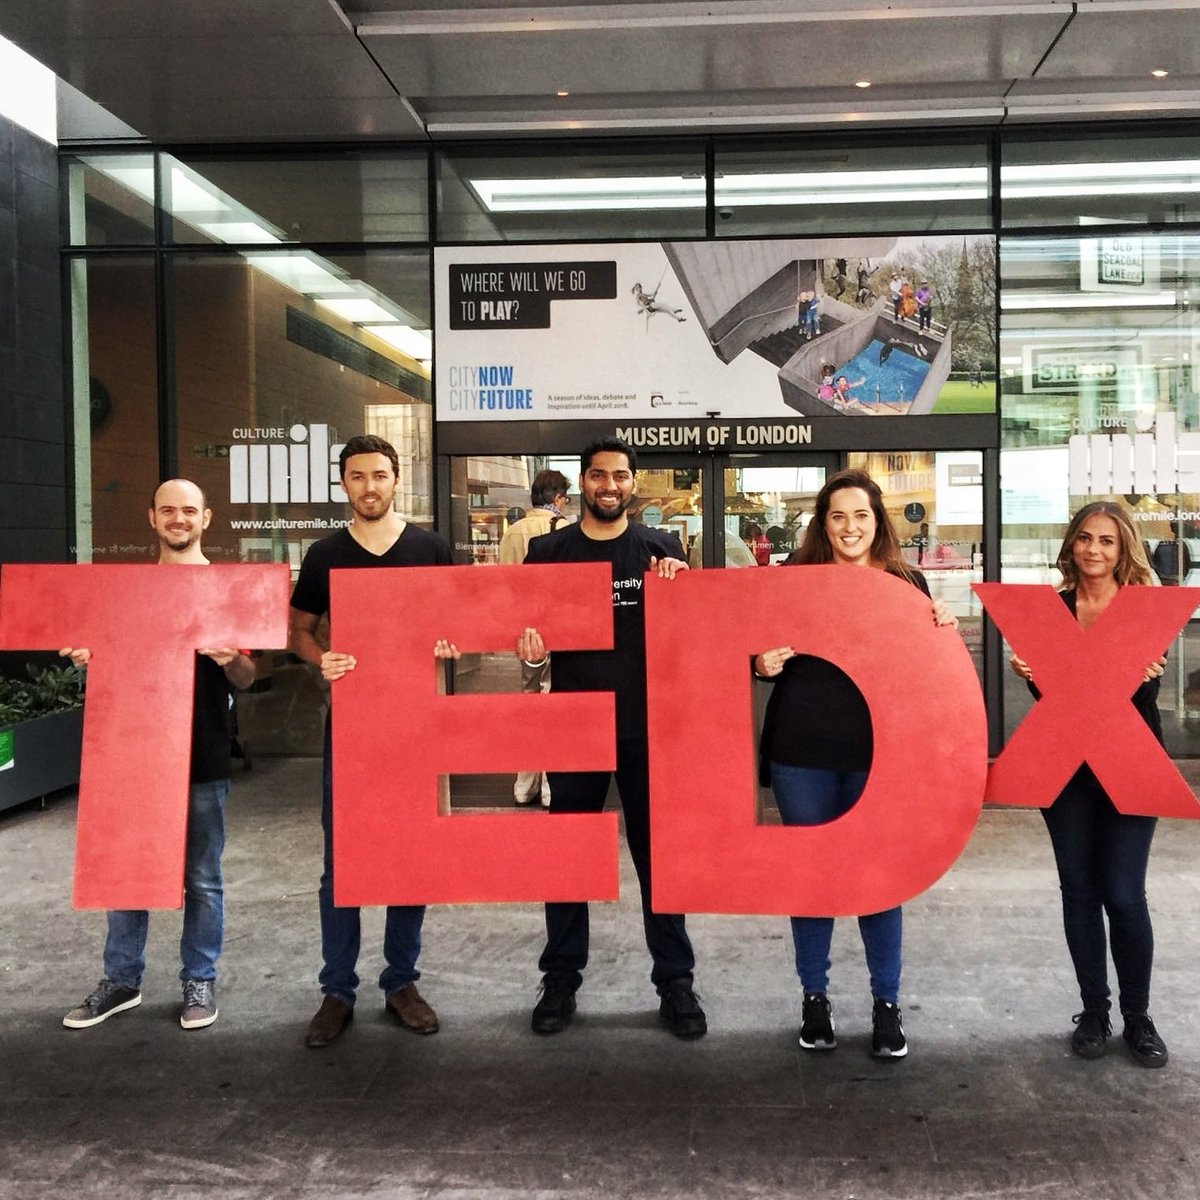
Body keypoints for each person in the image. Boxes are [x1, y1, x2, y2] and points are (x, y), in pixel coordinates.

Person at [752, 469, 957, 1058]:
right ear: (824, 524)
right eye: (838, 516)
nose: (850, 527)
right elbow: (753, 654)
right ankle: (814, 999)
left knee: (879, 878)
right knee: (812, 879)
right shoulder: (793, 580)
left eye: (861, 515)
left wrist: (940, 628)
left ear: (877, 522)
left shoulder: (905, 582)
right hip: (801, 754)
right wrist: (760, 662)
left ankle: (886, 1005)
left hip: (879, 758)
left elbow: (927, 672)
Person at [516, 436, 706, 1039]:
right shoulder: (548, 551)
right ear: (582, 484)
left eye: (620, 477)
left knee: (661, 861)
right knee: (567, 861)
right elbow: (525, 635)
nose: (610, 486)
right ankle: (561, 981)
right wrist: (530, 646)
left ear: (633, 483)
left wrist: (682, 586)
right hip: (574, 727)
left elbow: (687, 637)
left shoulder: (662, 548)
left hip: (649, 729)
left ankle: (676, 982)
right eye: (598, 476)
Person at [62, 479, 255, 1031]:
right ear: (151, 518)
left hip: (203, 751)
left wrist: (227, 659)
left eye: (188, 510)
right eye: (168, 510)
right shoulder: (123, 590)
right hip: (132, 752)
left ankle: (199, 980)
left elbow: (247, 675)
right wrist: (88, 659)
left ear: (206, 518)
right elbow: (107, 663)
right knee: (127, 871)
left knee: (203, 878)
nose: (178, 518)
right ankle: (121, 981)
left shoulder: (224, 588)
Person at [289, 434, 453, 1048]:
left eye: (379, 476)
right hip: (352, 727)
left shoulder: (431, 548)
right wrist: (320, 657)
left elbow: (454, 623)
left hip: (416, 725)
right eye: (357, 478)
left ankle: (400, 982)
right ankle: (337, 990)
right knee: (343, 862)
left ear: (396, 478)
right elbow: (299, 628)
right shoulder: (326, 554)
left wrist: (447, 644)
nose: (369, 487)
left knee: (409, 856)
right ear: (344, 484)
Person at [1009, 502, 1169, 1068]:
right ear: (1071, 545)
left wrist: (1146, 674)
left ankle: (1139, 1016)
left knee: (1124, 895)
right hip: (1066, 771)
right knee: (1079, 893)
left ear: (1124, 547)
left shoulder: (1144, 611)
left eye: (1105, 540)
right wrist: (1031, 676)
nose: (1093, 550)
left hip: (1129, 763)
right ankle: (1095, 1012)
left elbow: (1137, 709)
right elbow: (1058, 708)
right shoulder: (1052, 610)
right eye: (1084, 538)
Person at [498, 469, 572, 807]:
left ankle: (523, 784)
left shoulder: (511, 532)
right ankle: (549, 788)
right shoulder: (566, 529)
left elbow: (502, 585)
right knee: (553, 702)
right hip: (558, 630)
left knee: (529, 702)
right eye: (566, 498)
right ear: (557, 498)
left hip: (523, 633)